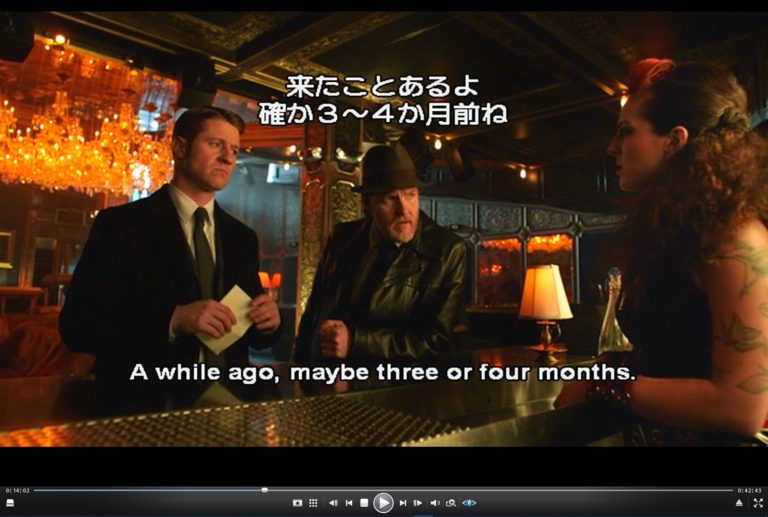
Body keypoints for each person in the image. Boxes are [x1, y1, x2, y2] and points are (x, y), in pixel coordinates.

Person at [555, 58, 768, 444]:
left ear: (674, 140)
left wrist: (604, 386)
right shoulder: (684, 232)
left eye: (626, 132)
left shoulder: (735, 239)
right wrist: (614, 366)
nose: (612, 147)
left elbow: (740, 408)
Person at [60, 106, 281, 380]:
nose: (227, 158)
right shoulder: (122, 225)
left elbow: (253, 334)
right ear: (179, 148)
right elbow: (77, 327)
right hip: (143, 395)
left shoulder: (242, 237)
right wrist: (174, 320)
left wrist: (269, 322)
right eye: (216, 144)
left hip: (227, 397)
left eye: (234, 150)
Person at [293, 144, 467, 362]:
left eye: (410, 195)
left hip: (395, 381)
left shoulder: (446, 250)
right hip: (328, 377)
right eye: (391, 198)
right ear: (367, 203)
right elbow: (313, 316)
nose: (404, 210)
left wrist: (356, 341)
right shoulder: (342, 238)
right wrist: (299, 369)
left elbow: (437, 341)